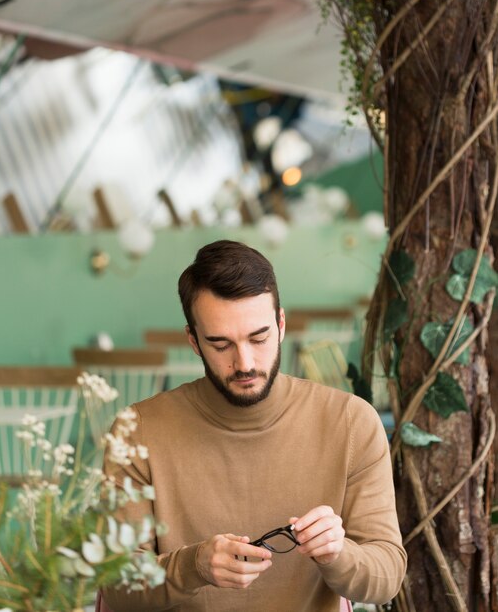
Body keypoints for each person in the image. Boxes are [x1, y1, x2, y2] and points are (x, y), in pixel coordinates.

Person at [102, 239, 407, 612]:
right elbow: (116, 588)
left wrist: (338, 553)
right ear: (194, 341)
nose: (244, 362)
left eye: (258, 338)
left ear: (280, 325)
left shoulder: (350, 422)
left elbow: (388, 575)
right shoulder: (138, 431)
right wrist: (192, 566)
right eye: (220, 344)